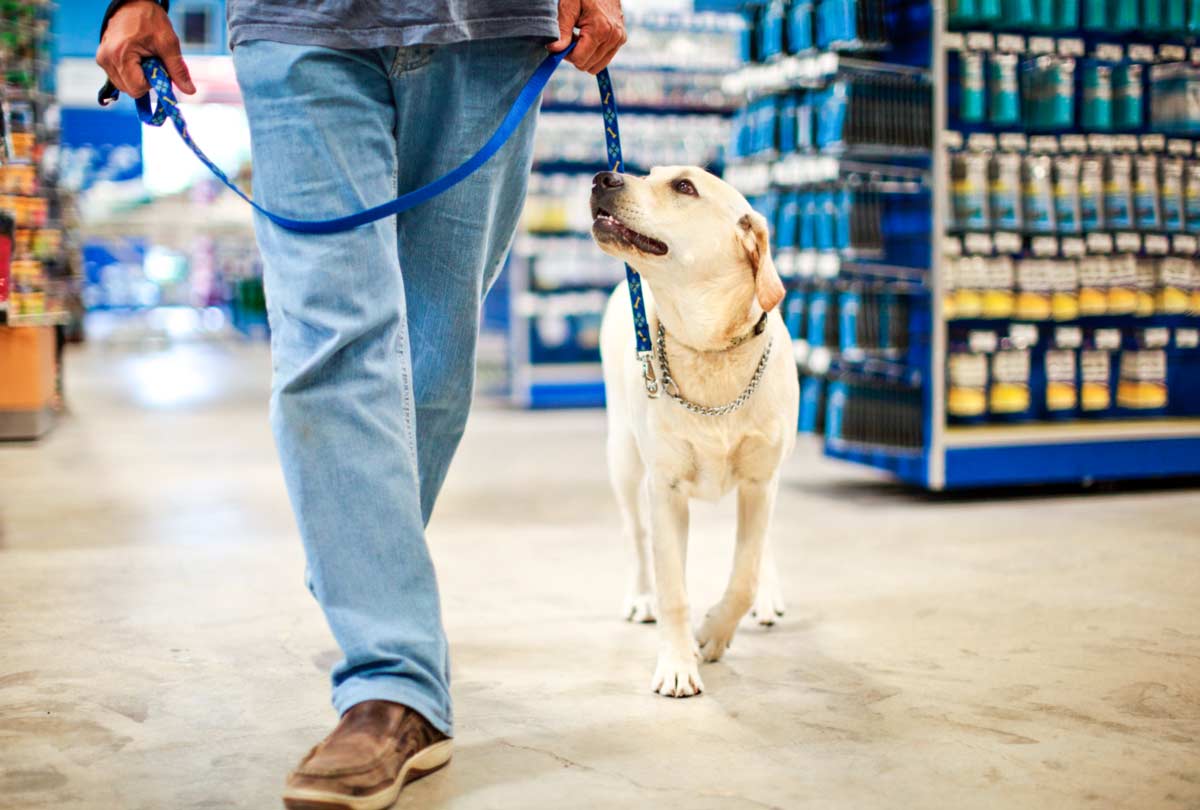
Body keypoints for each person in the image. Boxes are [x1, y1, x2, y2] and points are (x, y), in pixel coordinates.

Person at [96, 1, 625, 807]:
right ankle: (392, 682)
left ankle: (360, 559)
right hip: (295, 25)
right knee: (333, 341)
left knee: (436, 354)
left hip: (488, 29)